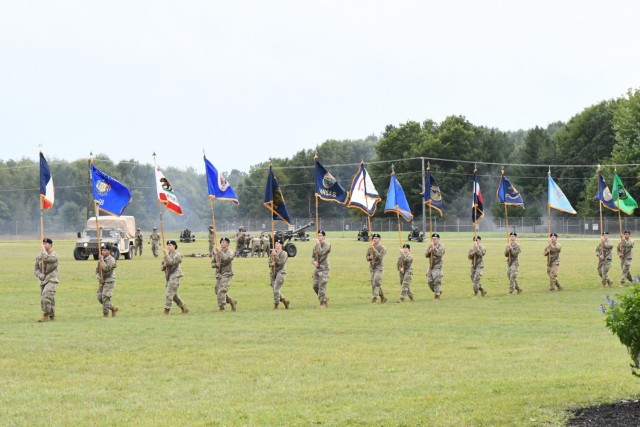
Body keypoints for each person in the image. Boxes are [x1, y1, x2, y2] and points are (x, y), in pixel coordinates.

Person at [34, 237, 59, 322]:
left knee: (45, 297)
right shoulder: (39, 256)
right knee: (49, 299)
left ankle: (45, 315)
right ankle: (51, 315)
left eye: (46, 244)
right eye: (43, 244)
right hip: (43, 280)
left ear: (50, 245)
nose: (44, 245)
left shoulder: (54, 255)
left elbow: (48, 259)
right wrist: (39, 274)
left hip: (51, 279)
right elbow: (36, 268)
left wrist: (43, 251)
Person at [162, 240, 188, 315]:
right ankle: (183, 307)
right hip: (169, 276)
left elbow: (172, 262)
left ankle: (166, 310)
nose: (168, 247)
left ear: (174, 246)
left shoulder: (178, 255)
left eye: (170, 245)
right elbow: (162, 267)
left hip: (175, 275)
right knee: (174, 295)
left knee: (169, 293)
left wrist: (166, 255)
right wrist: (164, 265)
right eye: (168, 245)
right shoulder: (167, 255)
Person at [212, 237, 237, 312]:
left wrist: (220, 252)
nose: (222, 243)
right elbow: (212, 263)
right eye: (221, 242)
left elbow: (227, 258)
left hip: (227, 273)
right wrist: (216, 264)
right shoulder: (217, 252)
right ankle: (231, 301)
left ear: (228, 244)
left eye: (224, 242)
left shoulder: (230, 252)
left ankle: (222, 307)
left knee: (222, 290)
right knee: (217, 291)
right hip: (219, 274)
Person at [96, 243, 118, 318]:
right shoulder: (100, 259)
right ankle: (113, 308)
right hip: (102, 281)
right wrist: (99, 277)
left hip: (109, 280)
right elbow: (97, 270)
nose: (103, 252)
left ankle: (105, 315)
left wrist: (101, 260)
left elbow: (106, 268)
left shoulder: (111, 259)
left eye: (105, 250)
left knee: (105, 296)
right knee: (99, 297)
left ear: (109, 251)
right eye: (102, 250)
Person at [312, 230, 331, 308]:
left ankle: (322, 302)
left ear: (324, 237)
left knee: (321, 285)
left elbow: (322, 252)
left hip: (324, 269)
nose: (319, 237)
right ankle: (324, 298)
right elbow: (313, 257)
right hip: (317, 269)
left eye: (320, 235)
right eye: (318, 235)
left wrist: (318, 244)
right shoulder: (315, 246)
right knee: (315, 286)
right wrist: (314, 262)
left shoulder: (327, 245)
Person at [269, 238, 290, 309]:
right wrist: (271, 264)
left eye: (277, 244)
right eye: (275, 243)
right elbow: (269, 262)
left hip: (281, 272)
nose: (275, 245)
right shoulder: (272, 252)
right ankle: (284, 301)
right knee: (274, 289)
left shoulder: (284, 253)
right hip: (273, 272)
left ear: (281, 245)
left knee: (276, 289)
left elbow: (281, 263)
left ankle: (276, 304)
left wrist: (276, 256)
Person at [367, 233, 387, 304]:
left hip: (379, 268)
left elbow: (380, 257)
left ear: (379, 239)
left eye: (376, 238)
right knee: (373, 283)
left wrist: (374, 249)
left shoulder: (382, 248)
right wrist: (369, 257)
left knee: (376, 282)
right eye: (373, 238)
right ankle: (383, 297)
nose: (374, 239)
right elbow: (367, 257)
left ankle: (374, 298)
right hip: (372, 268)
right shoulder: (370, 248)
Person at [426, 233, 446, 300]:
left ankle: (437, 296)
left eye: (435, 239)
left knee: (436, 280)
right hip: (431, 265)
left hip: (438, 265)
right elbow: (426, 255)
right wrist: (429, 251)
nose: (434, 240)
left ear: (438, 239)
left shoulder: (441, 246)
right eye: (433, 239)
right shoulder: (430, 246)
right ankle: (438, 291)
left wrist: (434, 248)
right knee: (429, 281)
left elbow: (440, 253)